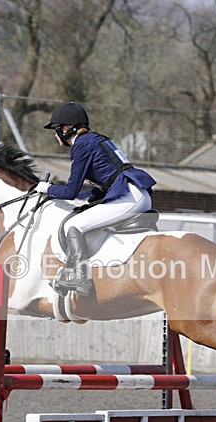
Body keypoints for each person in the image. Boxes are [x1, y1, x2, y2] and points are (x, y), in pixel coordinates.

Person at [36, 101, 156, 296]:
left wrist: (46, 188)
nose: (55, 135)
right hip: (136, 193)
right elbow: (102, 186)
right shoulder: (98, 139)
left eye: (56, 130)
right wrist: (83, 198)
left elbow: (70, 191)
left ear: (66, 129)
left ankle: (80, 277)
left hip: (129, 197)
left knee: (73, 226)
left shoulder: (81, 145)